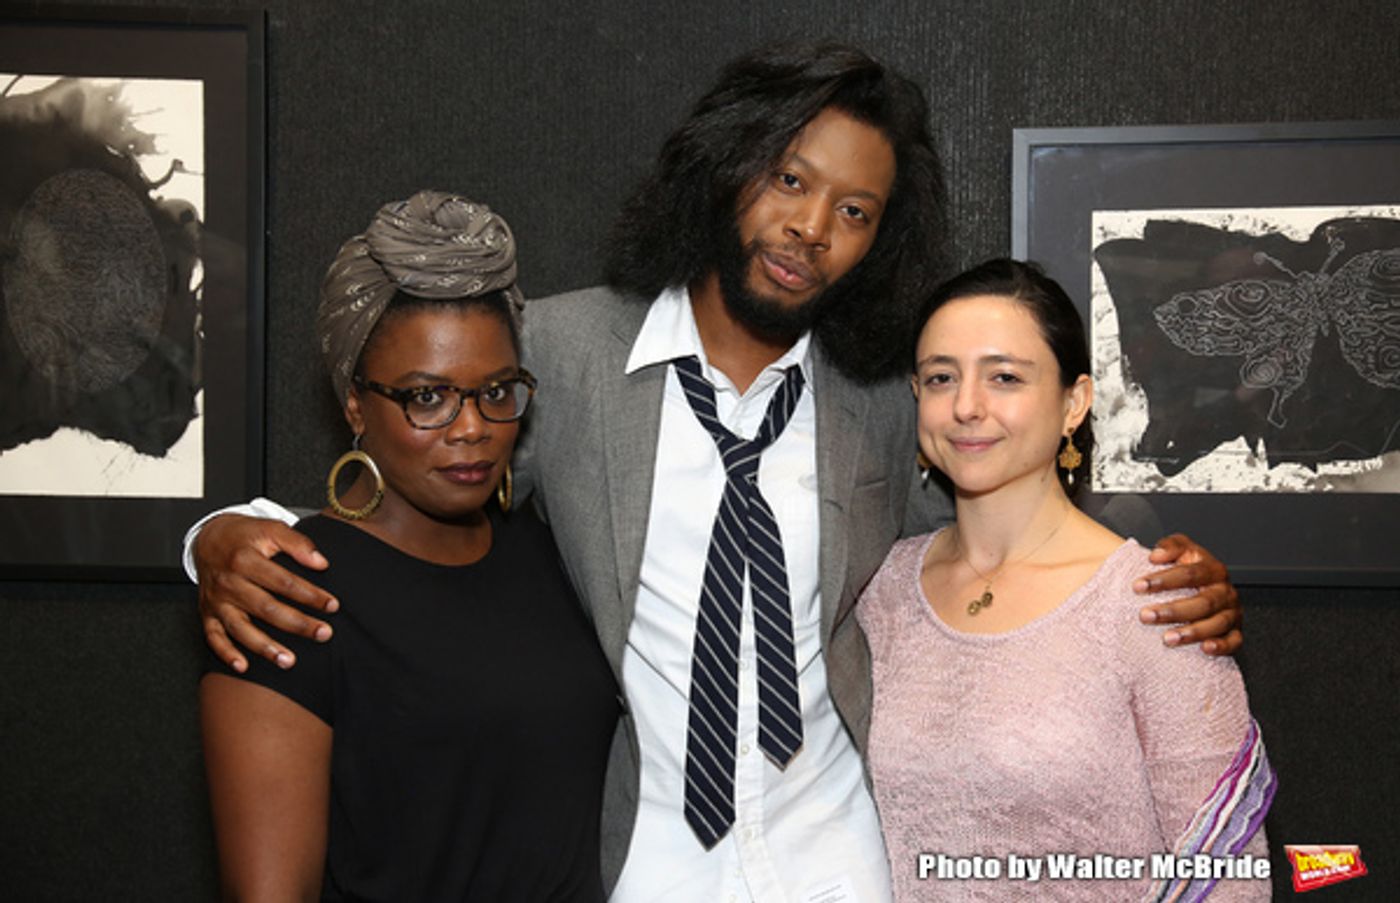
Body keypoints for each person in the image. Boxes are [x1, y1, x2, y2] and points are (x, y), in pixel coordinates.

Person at [188, 44, 1243, 901]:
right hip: (641, 861)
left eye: (854, 211)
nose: (810, 228)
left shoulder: (885, 398)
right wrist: (218, 537)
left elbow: (1003, 511)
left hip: (841, 859)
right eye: (790, 178)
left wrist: (1148, 571)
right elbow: (416, 465)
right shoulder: (562, 354)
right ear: (726, 166)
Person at [199, 192, 618, 900]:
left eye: (496, 391)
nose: (472, 427)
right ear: (355, 404)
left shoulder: (549, 553)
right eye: (427, 397)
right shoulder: (287, 594)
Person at [858, 259, 1273, 901]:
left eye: (1004, 377)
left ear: (1073, 402)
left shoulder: (1155, 604)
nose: (966, 406)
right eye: (942, 377)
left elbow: (1226, 878)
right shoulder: (881, 589)